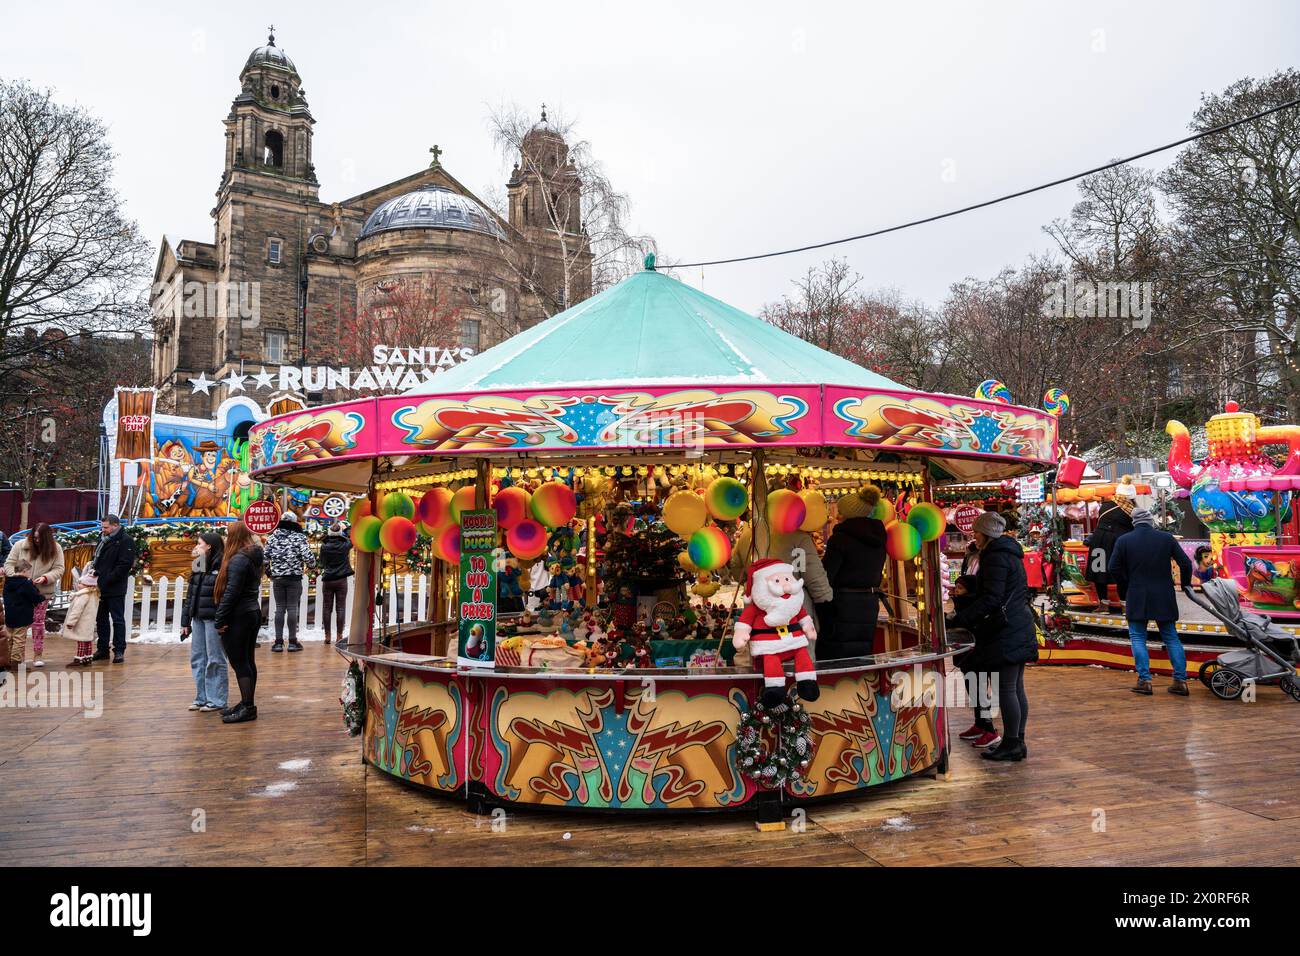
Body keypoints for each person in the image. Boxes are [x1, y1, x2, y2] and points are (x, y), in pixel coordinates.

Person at [948, 511, 1036, 762]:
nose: (973, 536)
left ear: (986, 533)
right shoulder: (1009, 554)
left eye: (976, 532)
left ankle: (1012, 743)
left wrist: (961, 618)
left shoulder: (995, 556)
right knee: (1015, 687)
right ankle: (1017, 740)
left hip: (1007, 630)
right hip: (1018, 625)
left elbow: (992, 598)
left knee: (1006, 688)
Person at [1109, 508, 1195, 696]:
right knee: (1171, 637)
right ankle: (1180, 681)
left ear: (1134, 522)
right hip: (1163, 594)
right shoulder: (1166, 538)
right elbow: (1186, 564)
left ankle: (1145, 681)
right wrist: (1186, 585)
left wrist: (1126, 583)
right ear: (1150, 521)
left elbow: (1112, 567)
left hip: (1137, 594)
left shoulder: (1124, 540)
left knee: (1138, 637)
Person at [820, 486, 887, 659]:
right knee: (862, 649)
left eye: (840, 511)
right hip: (869, 603)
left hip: (843, 603)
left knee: (838, 653)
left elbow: (827, 574)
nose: (836, 515)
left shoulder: (840, 539)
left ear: (848, 513)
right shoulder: (879, 536)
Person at [214, 523, 264, 723]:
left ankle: (248, 707)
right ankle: (246, 703)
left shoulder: (238, 560)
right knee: (248, 660)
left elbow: (231, 592)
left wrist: (220, 618)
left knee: (239, 662)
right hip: (251, 611)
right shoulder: (253, 556)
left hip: (239, 615)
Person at [3, 523, 65, 668]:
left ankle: (38, 654)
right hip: (19, 594)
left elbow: (59, 569)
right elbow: (9, 564)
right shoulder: (20, 545)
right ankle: (17, 659)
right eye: (35, 537)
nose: (37, 540)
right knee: (16, 627)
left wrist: (45, 578)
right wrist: (19, 578)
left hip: (41, 593)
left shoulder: (56, 549)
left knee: (38, 624)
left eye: (40, 538)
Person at [180, 532, 227, 712]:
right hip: (198, 616)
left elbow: (223, 595)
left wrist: (222, 618)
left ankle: (217, 699)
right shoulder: (198, 564)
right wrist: (186, 621)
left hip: (213, 617)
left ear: (209, 546)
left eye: (199, 544)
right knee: (198, 657)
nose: (196, 547)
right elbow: (190, 594)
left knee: (215, 658)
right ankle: (202, 696)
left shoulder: (222, 565)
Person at [263, 511, 315, 651]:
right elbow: (308, 556)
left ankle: (278, 642)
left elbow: (265, 558)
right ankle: (292, 642)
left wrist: (269, 573)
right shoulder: (299, 537)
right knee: (292, 608)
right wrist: (311, 566)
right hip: (294, 578)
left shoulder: (272, 537)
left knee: (279, 608)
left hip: (278, 578)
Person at [1084, 479, 1136, 609]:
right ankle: (1125, 604)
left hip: (1099, 542)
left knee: (1099, 572)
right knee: (1122, 573)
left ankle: (1103, 604)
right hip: (1120, 543)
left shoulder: (1106, 505)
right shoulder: (1133, 510)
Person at [92, 515, 137, 664]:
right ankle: (102, 648)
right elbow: (99, 560)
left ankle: (119, 650)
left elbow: (124, 565)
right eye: (102, 527)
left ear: (115, 525)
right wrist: (96, 573)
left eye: (105, 527)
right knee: (101, 619)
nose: (103, 530)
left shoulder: (126, 540)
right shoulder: (104, 539)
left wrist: (108, 578)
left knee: (117, 619)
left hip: (115, 586)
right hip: (101, 585)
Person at [2, 557, 43, 674]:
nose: (30, 574)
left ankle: (8, 661)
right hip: (22, 616)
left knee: (9, 639)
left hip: (10, 615)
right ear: (24, 571)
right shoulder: (25, 583)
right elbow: (34, 596)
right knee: (19, 640)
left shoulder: (8, 582)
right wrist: (42, 597)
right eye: (29, 571)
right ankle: (16, 663)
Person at [318, 522, 353, 644]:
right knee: (340, 608)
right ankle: (339, 635)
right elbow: (352, 537)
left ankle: (327, 636)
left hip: (328, 580)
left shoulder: (324, 547)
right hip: (341, 580)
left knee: (327, 608)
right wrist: (346, 528)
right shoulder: (345, 545)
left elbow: (321, 563)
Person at [63, 568, 101, 667]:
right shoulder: (94, 594)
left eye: (80, 583)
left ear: (87, 585)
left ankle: (79, 659)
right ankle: (87, 658)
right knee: (87, 640)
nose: (78, 585)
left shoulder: (83, 596)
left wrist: (71, 622)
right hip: (89, 622)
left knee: (81, 641)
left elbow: (77, 610)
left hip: (81, 622)